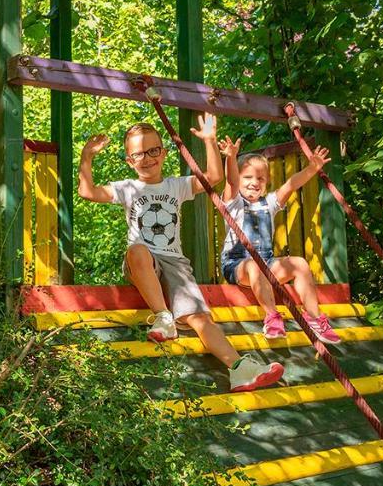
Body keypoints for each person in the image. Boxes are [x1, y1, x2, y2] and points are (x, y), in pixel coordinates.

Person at [79, 116, 284, 393]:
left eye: (153, 150)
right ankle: (163, 316)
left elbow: (213, 177)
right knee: (137, 249)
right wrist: (87, 156)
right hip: (143, 261)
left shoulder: (176, 185)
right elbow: (87, 191)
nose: (147, 158)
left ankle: (239, 368)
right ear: (129, 160)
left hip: (175, 262)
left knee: (201, 319)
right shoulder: (127, 187)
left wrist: (210, 141)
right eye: (138, 154)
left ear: (163, 153)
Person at [219, 140, 342, 344]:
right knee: (254, 265)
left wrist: (312, 168)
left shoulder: (269, 203)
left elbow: (291, 184)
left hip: (266, 264)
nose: (254, 182)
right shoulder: (233, 203)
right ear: (239, 179)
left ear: (266, 182)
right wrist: (231, 157)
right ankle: (272, 316)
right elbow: (231, 182)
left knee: (300, 264)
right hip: (237, 265)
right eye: (247, 177)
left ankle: (313, 317)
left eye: (260, 178)